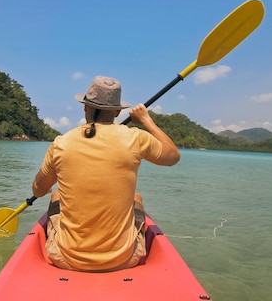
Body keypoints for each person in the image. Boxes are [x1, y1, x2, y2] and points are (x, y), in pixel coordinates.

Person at [31, 75, 180, 272]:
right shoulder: (136, 138)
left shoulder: (61, 143)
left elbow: (39, 190)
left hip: (66, 258)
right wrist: (145, 120)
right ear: (118, 112)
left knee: (56, 195)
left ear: (85, 106)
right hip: (125, 258)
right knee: (137, 199)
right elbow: (173, 157)